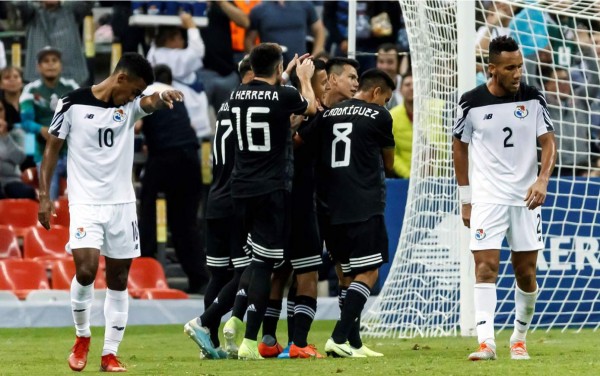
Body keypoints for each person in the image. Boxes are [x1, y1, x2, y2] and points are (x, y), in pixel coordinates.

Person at [37, 53, 183, 372]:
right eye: (135, 89)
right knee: (87, 271)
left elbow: (151, 102)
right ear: (121, 78)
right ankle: (82, 336)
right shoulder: (71, 104)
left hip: (122, 206)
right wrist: (44, 197)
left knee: (118, 280)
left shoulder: (128, 107)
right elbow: (51, 149)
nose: (135, 96)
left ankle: (109, 354)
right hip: (85, 203)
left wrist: (163, 96)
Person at [452, 36, 557, 361]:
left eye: (520, 66)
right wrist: (466, 198)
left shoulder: (533, 98)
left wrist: (542, 179)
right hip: (487, 199)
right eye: (510, 68)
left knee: (525, 273)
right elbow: (459, 146)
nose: (517, 73)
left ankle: (519, 339)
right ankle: (486, 342)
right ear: (492, 69)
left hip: (526, 199)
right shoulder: (471, 102)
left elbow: (549, 143)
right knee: (485, 267)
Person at [216, 42, 317, 360]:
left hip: (239, 189)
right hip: (270, 189)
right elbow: (310, 107)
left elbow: (266, 98)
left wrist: (283, 75)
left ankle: (233, 317)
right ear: (277, 68)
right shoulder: (285, 96)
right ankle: (248, 341)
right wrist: (304, 79)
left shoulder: (236, 94)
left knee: (251, 262)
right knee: (264, 266)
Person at [313, 69, 395, 357]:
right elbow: (389, 162)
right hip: (364, 202)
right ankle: (338, 336)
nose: (384, 104)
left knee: (347, 275)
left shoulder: (328, 114)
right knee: (369, 272)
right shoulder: (380, 116)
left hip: (329, 206)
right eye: (385, 99)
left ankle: (353, 342)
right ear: (376, 93)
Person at [257, 57, 329, 359]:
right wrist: (302, 82)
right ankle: (299, 342)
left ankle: (268, 340)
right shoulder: (314, 114)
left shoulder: (278, 108)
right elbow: (291, 142)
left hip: (275, 199)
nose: (325, 87)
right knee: (307, 272)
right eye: (321, 82)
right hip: (300, 202)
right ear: (309, 84)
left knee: (279, 271)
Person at [183, 56, 254, 360]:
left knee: (219, 273)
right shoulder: (251, 105)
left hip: (217, 196)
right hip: (238, 198)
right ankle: (207, 322)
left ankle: (208, 343)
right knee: (250, 269)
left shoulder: (227, 104)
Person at [137, 64, 209, 294]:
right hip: (189, 160)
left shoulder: (148, 92)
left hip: (163, 159)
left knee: (147, 215)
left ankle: (144, 273)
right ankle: (199, 279)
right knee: (185, 225)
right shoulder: (180, 97)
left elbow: (137, 124)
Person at [20, 46, 79, 200]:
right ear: (38, 67)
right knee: (48, 201)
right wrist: (41, 129)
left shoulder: (71, 87)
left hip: (73, 152)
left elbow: (82, 115)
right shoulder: (30, 90)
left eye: (54, 60)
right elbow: (26, 122)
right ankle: (51, 223)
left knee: (82, 196)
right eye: (46, 61)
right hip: (45, 154)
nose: (50, 64)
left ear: (60, 65)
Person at [17, 1, 93, 85]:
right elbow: (20, 3)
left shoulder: (72, 8)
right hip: (37, 77)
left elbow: (89, 2)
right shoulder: (31, 10)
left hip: (72, 75)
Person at [245, 1, 325, 64]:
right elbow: (249, 40)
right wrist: (258, 63)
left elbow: (319, 30)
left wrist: (314, 56)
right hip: (271, 68)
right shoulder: (258, 10)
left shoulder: (305, 5)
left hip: (299, 66)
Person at [147, 12, 205, 92]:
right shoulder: (171, 56)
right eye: (180, 38)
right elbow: (197, 52)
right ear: (169, 40)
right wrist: (191, 26)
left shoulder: (153, 52)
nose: (183, 41)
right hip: (178, 98)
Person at [0, 100, 35, 199]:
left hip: (11, 180)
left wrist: (5, 136)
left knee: (27, 192)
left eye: (0, 110)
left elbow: (20, 159)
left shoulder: (17, 133)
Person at [389, 71, 414, 178]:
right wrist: (409, 175)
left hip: (439, 180)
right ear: (400, 90)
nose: (412, 88)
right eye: (407, 84)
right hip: (405, 179)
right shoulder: (392, 116)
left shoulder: (437, 109)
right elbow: (393, 155)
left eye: (415, 84)